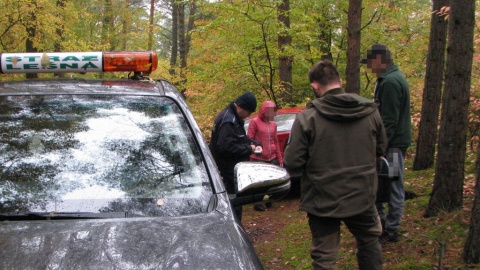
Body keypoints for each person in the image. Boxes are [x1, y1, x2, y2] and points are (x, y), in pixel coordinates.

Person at [283, 60, 387, 270]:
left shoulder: (307, 117)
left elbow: (292, 161)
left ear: (315, 86)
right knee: (369, 241)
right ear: (340, 81)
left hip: (323, 200)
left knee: (325, 257)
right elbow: (381, 148)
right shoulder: (370, 111)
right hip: (362, 194)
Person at [361, 44, 412, 245]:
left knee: (394, 186)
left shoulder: (390, 82)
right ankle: (382, 224)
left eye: (371, 63)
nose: (370, 68)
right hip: (392, 144)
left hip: (393, 146)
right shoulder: (388, 79)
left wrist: (379, 147)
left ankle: (391, 230)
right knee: (381, 184)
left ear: (380, 59)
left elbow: (388, 121)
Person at [209, 91, 262, 221]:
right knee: (233, 205)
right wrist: (249, 149)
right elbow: (225, 147)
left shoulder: (234, 118)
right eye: (248, 112)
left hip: (232, 170)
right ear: (242, 107)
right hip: (227, 171)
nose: (248, 116)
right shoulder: (229, 121)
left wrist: (254, 143)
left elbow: (239, 138)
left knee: (235, 203)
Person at [247, 100, 283, 211]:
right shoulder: (255, 122)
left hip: (271, 157)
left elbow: (275, 141)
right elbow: (249, 139)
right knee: (259, 182)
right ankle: (257, 203)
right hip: (258, 158)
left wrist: (279, 157)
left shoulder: (274, 124)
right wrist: (254, 150)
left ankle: (268, 201)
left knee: (271, 181)